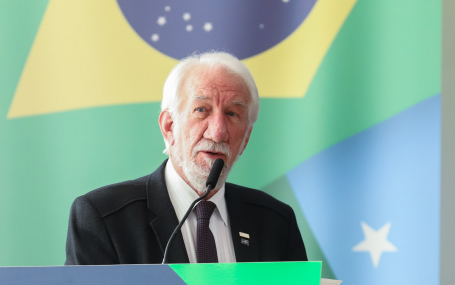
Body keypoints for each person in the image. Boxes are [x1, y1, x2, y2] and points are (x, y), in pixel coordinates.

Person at [64, 51, 308, 267]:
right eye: (201, 110)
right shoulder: (104, 218)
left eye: (233, 114)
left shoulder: (276, 222)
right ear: (169, 126)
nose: (218, 132)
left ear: (245, 139)